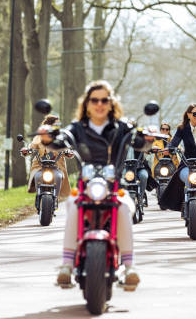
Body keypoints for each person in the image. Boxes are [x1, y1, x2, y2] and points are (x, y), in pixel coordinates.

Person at [56, 80, 140, 290]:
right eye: (95, 100)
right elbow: (62, 138)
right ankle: (66, 264)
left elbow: (138, 141)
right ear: (86, 103)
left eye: (104, 100)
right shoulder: (76, 128)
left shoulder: (122, 128)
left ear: (111, 103)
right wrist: (52, 137)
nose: (99, 104)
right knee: (74, 203)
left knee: (122, 206)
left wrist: (144, 137)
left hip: (114, 187)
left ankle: (129, 266)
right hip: (85, 188)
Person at [27, 114, 71, 202]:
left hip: (57, 166)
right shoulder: (39, 136)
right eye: (56, 124)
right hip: (40, 166)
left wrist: (68, 152)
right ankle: (38, 194)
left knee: (59, 177)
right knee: (37, 176)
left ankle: (56, 198)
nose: (58, 127)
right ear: (49, 125)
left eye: (59, 125)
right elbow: (32, 147)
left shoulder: (61, 137)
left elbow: (66, 148)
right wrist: (27, 150)